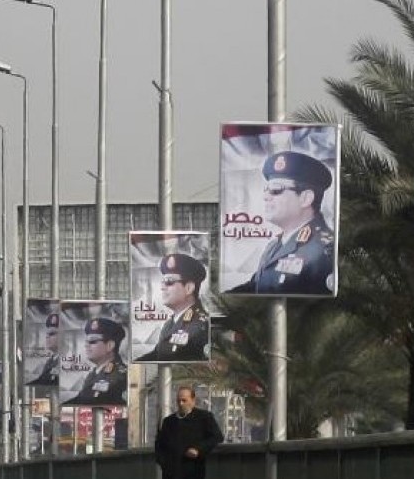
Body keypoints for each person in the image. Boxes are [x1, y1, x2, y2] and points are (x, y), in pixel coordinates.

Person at [230, 150, 336, 294]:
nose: (265, 196)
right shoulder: (274, 246)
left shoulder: (325, 250)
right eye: (265, 190)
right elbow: (255, 286)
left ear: (305, 198)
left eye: (275, 190)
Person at [139, 253, 210, 362]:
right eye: (162, 282)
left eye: (169, 282)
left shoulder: (202, 325)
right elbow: (157, 354)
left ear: (189, 288)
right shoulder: (169, 324)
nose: (162, 287)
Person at [65, 317, 128, 405]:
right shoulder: (92, 374)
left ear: (110, 345)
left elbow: (93, 401)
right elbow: (81, 399)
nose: (86, 346)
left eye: (92, 341)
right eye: (86, 342)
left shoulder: (121, 375)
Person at [30, 313, 60, 386]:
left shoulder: (65, 361)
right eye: (47, 334)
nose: (47, 337)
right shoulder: (50, 361)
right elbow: (41, 380)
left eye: (51, 333)